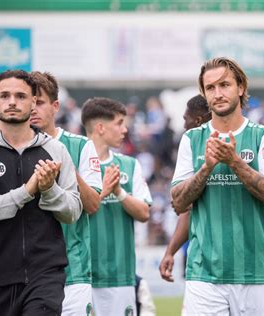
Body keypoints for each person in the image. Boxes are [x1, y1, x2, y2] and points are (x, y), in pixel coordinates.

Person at [171, 57, 264, 315]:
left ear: (241, 88)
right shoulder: (191, 138)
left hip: (254, 270)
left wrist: (234, 161)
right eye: (210, 88)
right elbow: (178, 202)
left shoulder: (263, 135)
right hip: (204, 273)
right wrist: (207, 167)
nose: (218, 93)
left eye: (225, 85)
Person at [0, 69, 82, 314]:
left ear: (32, 102)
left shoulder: (56, 150)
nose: (13, 102)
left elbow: (72, 212)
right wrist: (26, 192)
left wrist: (49, 190)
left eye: (21, 96)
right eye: (5, 96)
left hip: (45, 275)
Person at [29, 71, 103, 315]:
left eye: (39, 102)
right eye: (27, 101)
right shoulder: (9, 149)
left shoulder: (81, 146)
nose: (32, 109)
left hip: (73, 273)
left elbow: (93, 205)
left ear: (55, 106)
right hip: (25, 274)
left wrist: (67, 163)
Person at [81, 97, 152, 315]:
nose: (125, 129)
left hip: (120, 276)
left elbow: (144, 213)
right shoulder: (73, 163)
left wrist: (119, 192)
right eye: (120, 123)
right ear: (100, 127)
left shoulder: (129, 165)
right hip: (78, 276)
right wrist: (101, 192)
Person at [159, 94, 212, 282]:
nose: (183, 125)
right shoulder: (190, 147)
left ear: (198, 120)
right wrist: (170, 252)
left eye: (185, 119)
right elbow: (183, 207)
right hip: (201, 263)